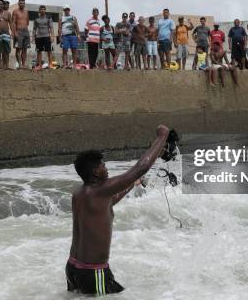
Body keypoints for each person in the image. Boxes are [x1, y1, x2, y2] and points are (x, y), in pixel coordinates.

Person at [66, 125, 171, 296]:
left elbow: (109, 202)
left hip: (73, 267)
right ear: (94, 172)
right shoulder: (100, 190)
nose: (106, 168)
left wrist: (132, 184)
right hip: (94, 271)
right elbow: (141, 167)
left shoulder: (80, 193)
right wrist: (162, 137)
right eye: (103, 166)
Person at [58, 5, 80, 69]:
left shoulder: (73, 17)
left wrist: (78, 35)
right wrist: (59, 37)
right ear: (64, 10)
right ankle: (65, 64)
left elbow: (77, 27)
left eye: (67, 9)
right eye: (65, 9)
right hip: (65, 36)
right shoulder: (61, 18)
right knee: (64, 51)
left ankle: (74, 65)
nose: (66, 10)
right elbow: (59, 28)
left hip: (73, 35)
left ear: (69, 10)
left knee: (74, 50)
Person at [12, 0, 31, 69]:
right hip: (18, 31)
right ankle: (19, 64)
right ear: (18, 4)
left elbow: (27, 22)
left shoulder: (26, 12)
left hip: (25, 32)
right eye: (21, 3)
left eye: (23, 3)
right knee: (18, 49)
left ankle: (23, 64)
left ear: (25, 4)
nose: (22, 4)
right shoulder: (15, 11)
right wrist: (15, 32)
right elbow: (13, 23)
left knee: (25, 49)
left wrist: (25, 29)